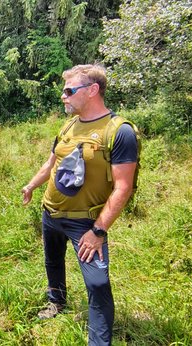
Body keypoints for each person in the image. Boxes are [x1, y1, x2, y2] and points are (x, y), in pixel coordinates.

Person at [20, 64, 139, 346]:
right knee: (53, 260)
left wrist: (98, 231)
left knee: (98, 284)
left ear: (92, 90)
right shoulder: (69, 125)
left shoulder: (119, 132)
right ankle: (56, 301)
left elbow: (124, 187)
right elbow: (51, 163)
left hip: (85, 222)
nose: (63, 96)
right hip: (51, 212)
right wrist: (31, 186)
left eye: (69, 91)